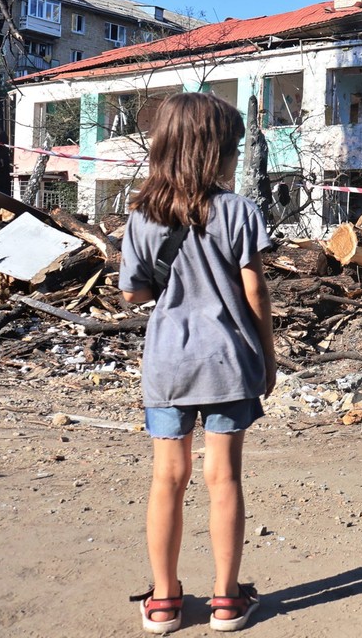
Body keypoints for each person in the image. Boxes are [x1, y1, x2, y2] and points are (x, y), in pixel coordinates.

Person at [119, 92, 277, 634]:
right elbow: (256, 293)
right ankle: (227, 600)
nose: (236, 156)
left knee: (167, 478)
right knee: (223, 478)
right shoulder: (238, 211)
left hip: (167, 366)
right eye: (232, 147)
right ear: (215, 154)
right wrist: (269, 356)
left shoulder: (141, 217)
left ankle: (163, 601)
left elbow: (134, 295)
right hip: (228, 362)